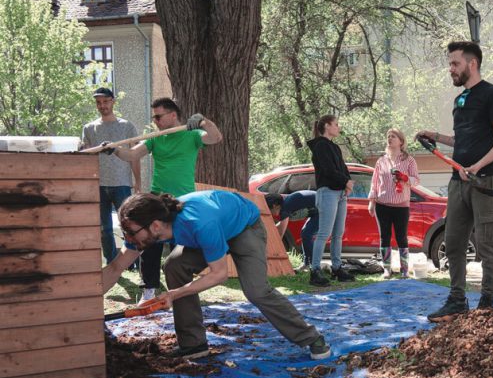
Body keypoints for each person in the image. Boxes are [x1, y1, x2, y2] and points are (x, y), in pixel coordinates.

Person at [102, 191, 331, 360]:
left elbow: (219, 274)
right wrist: (84, 303)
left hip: (243, 228)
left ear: (154, 226)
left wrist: (175, 293)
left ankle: (312, 338)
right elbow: (115, 268)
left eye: (130, 233)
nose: (128, 238)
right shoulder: (149, 231)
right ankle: (194, 345)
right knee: (174, 266)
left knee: (256, 291)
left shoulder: (198, 223)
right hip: (214, 229)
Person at [416, 41, 493, 320]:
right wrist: (435, 136)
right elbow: (463, 140)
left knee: (485, 245)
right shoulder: (461, 100)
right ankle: (457, 300)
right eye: (450, 64)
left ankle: (487, 303)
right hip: (458, 182)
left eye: (455, 63)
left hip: (485, 181)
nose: (451, 69)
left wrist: (476, 166)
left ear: (472, 64)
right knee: (454, 242)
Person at [112, 98, 223, 304]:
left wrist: (203, 121)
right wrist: (114, 150)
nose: (155, 121)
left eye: (158, 116)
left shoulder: (192, 135)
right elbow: (132, 154)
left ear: (173, 115)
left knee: (180, 249)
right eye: (153, 117)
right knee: (149, 244)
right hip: (157, 198)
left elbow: (215, 137)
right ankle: (149, 289)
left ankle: (180, 292)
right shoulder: (156, 138)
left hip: (184, 199)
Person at [80, 87, 141, 266]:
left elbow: (135, 156)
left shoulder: (127, 126)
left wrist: (138, 182)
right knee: (104, 229)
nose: (102, 105)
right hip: (97, 185)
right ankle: (112, 262)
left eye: (106, 101)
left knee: (128, 225)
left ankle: (133, 263)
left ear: (113, 101)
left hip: (122, 184)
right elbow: (86, 156)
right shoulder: (89, 128)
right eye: (98, 102)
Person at [306, 115, 355, 287]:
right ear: (327, 126)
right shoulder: (320, 146)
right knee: (323, 233)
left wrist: (347, 183)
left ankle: (337, 267)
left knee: (338, 234)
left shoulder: (334, 147)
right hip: (327, 192)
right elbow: (328, 170)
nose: (338, 127)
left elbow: (342, 168)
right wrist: (345, 181)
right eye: (336, 124)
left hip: (340, 193)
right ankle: (315, 270)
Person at [368, 128, 420, 279]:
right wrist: (371, 202)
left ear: (401, 141)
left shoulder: (409, 160)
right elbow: (374, 182)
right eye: (388, 136)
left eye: (393, 136)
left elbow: (416, 180)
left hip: (401, 206)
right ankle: (387, 270)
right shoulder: (381, 161)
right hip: (382, 205)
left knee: (401, 237)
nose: (390, 139)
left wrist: (405, 178)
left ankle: (404, 270)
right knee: (384, 236)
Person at [265, 191, 318, 272]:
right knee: (306, 233)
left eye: (269, 209)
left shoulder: (285, 208)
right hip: (318, 208)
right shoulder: (286, 204)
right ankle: (308, 264)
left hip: (324, 207)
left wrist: (270, 249)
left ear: (274, 206)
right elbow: (281, 225)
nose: (270, 212)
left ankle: (313, 265)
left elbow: (281, 233)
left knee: (307, 234)